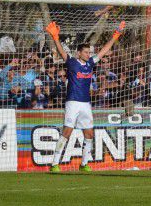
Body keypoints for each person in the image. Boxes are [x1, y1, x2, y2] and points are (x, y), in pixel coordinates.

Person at [45, 19, 125, 173]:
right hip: (73, 102)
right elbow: (61, 52)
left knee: (89, 133)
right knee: (67, 131)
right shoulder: (72, 62)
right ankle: (54, 163)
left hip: (86, 103)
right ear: (79, 53)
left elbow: (104, 50)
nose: (89, 54)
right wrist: (55, 37)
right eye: (86, 52)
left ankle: (84, 164)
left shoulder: (91, 63)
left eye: (90, 52)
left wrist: (116, 35)